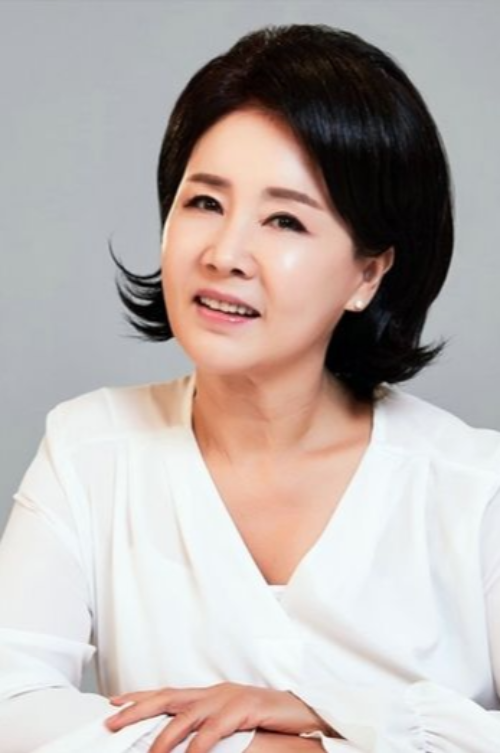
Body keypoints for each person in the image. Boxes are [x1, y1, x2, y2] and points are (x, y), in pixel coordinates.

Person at [0, 21, 499, 753]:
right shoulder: (90, 451)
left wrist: (327, 715)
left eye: (285, 220)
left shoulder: (475, 490)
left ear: (368, 273)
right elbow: (10, 707)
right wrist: (283, 746)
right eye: (205, 203)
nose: (226, 253)